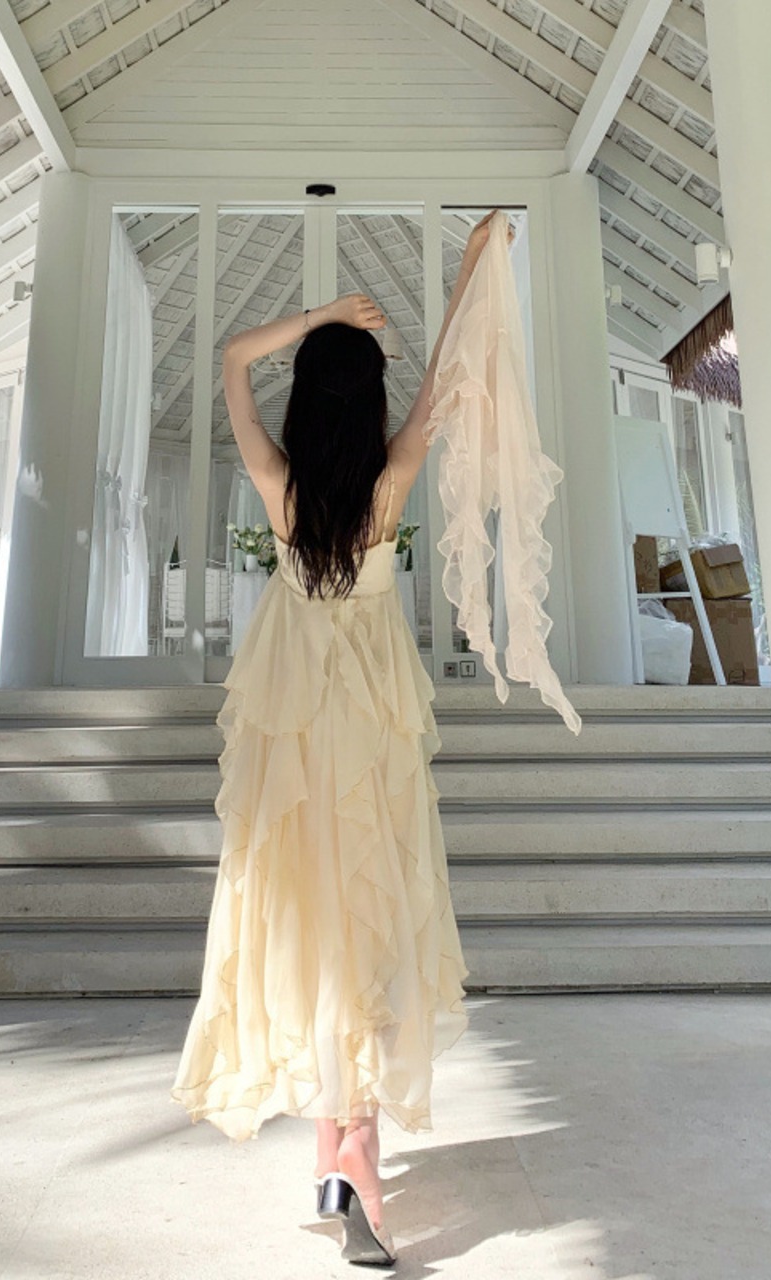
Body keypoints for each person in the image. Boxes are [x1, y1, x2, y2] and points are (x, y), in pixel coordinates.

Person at [172, 211, 509, 1267]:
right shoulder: (388, 483)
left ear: (303, 401)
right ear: (365, 404)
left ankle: (338, 1153)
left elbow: (232, 357)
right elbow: (446, 379)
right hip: (367, 718)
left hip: (293, 720)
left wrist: (317, 316)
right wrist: (470, 270)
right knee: (365, 915)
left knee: (316, 920)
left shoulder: (278, 485)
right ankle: (352, 1156)